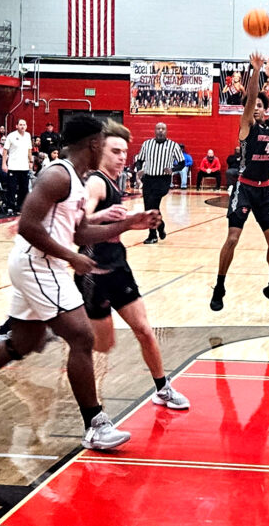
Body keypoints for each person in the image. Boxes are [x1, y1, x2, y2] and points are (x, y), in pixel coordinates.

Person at [0, 116, 161, 449]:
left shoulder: (77, 180)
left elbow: (80, 232)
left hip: (42, 263)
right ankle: (96, 424)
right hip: (37, 262)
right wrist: (72, 257)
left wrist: (129, 224)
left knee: (22, 342)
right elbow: (28, 227)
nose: (110, 152)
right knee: (81, 335)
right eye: (105, 144)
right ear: (93, 144)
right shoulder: (57, 175)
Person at [78, 121, 190, 411]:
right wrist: (110, 218)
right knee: (101, 346)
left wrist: (134, 221)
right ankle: (94, 409)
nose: (121, 157)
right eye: (115, 151)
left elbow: (114, 224)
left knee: (143, 329)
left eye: (124, 151)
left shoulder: (116, 182)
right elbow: (80, 222)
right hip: (94, 272)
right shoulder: (96, 182)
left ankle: (162, 388)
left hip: (118, 266)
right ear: (100, 151)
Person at [211, 52, 269, 314]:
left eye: (261, 107)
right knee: (232, 238)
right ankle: (219, 287)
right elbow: (251, 98)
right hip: (244, 187)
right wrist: (254, 71)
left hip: (264, 189)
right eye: (254, 107)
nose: (257, 109)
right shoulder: (246, 126)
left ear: (266, 111)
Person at [133, 122, 182, 244]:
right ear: (155, 131)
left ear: (166, 131)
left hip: (163, 180)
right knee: (148, 208)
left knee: (152, 205)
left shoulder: (173, 145)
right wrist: (139, 170)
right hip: (148, 178)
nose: (160, 131)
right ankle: (160, 226)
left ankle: (152, 235)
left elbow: (181, 163)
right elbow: (139, 160)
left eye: (163, 129)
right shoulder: (147, 144)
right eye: (158, 129)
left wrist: (173, 170)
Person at [3, 119, 34, 212]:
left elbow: (29, 149)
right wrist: (4, 164)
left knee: (24, 188)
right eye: (20, 124)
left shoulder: (28, 135)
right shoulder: (11, 136)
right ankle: (10, 206)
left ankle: (20, 206)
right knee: (11, 188)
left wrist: (30, 161)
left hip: (24, 167)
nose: (22, 126)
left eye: (24, 125)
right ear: (16, 126)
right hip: (13, 166)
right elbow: (5, 150)